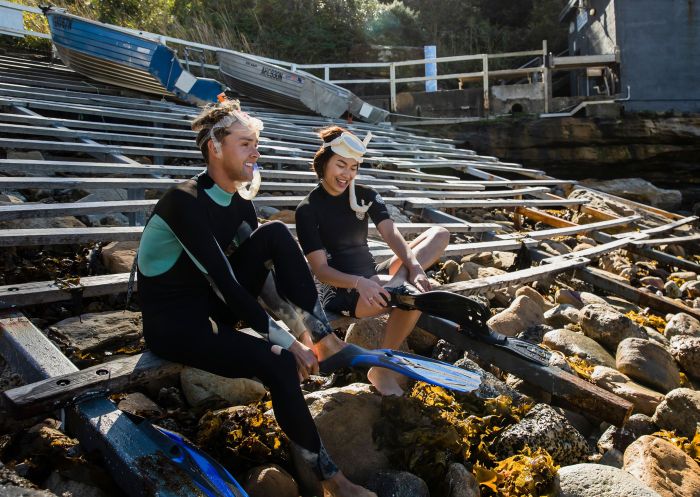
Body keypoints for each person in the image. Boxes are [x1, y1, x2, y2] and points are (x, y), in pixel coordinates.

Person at [136, 98, 375, 497]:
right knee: (279, 368)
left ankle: (324, 340)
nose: (256, 152)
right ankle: (332, 479)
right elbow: (228, 281)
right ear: (215, 146)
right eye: (245, 143)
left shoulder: (241, 205)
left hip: (215, 308)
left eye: (256, 143)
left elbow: (261, 283)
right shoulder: (183, 201)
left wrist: (299, 335)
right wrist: (283, 343)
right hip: (176, 325)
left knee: (276, 234)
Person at [295, 126, 450, 396]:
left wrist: (413, 267)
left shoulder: (364, 194)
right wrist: (360, 284)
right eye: (341, 165)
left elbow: (390, 233)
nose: (347, 174)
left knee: (440, 233)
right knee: (412, 298)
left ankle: (399, 282)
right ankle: (382, 366)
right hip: (343, 289)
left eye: (353, 167)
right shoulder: (308, 209)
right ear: (324, 162)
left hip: (372, 274)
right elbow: (320, 270)